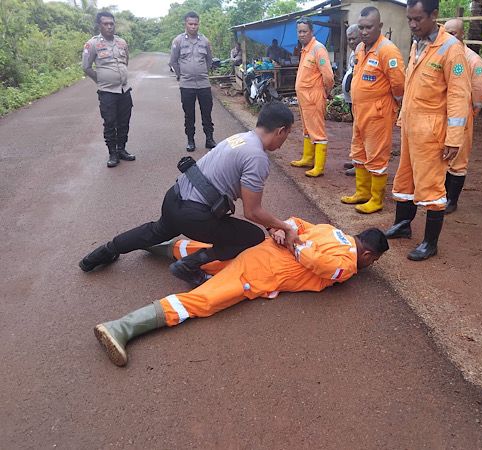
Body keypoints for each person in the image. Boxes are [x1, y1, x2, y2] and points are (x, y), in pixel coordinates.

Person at [93, 218, 390, 366]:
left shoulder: (330, 229)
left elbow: (294, 223)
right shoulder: (347, 264)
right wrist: (296, 246)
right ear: (368, 255)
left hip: (259, 250)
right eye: (373, 262)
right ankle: (122, 327)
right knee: (203, 301)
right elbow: (322, 265)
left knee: (204, 252)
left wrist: (282, 232)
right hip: (259, 272)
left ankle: (145, 242)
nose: (369, 266)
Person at [79, 102, 301, 286]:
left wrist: (272, 226)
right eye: (287, 134)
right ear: (280, 131)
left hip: (174, 199)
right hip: (194, 216)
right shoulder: (257, 158)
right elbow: (252, 212)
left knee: (156, 231)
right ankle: (188, 266)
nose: (284, 141)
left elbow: (244, 191)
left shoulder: (240, 139)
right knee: (251, 236)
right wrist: (286, 227)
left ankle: (103, 252)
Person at [386, 0, 470, 261]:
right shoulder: (418, 43)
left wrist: (454, 137)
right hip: (412, 128)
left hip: (432, 132)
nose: (412, 24)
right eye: (409, 19)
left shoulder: (451, 49)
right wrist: (403, 118)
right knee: (406, 178)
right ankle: (403, 225)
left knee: (432, 187)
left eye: (418, 19)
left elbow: (458, 96)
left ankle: (430, 243)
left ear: (434, 15)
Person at [341, 7, 405, 214]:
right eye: (361, 27)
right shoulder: (361, 48)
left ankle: (376, 199)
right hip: (360, 111)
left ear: (380, 26)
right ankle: (362, 192)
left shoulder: (388, 51)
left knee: (376, 155)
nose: (364, 31)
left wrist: (391, 105)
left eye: (368, 27)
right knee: (359, 152)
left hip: (378, 113)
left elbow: (398, 85)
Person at [443, 18, 482, 214]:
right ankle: (440, 195)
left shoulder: (472, 59)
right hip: (442, 114)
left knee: (459, 159)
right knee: (442, 156)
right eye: (446, 32)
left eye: (453, 33)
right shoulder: (442, 54)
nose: (449, 36)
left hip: (462, 116)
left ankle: (452, 200)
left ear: (462, 34)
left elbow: (480, 90)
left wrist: (471, 112)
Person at [82, 12, 136, 168]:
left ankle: (122, 149)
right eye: (105, 24)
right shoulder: (92, 44)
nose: (109, 26)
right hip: (107, 92)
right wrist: (101, 80)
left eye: (111, 23)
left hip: (124, 90)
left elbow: (125, 61)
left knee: (124, 122)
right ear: (99, 25)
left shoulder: (121, 42)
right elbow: (86, 67)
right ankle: (112, 153)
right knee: (110, 123)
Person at [290, 17, 334, 178]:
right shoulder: (305, 49)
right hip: (304, 98)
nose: (301, 34)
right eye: (299, 31)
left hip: (314, 97)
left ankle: (319, 167)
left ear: (311, 31)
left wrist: (325, 92)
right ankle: (308, 159)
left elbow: (328, 76)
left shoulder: (318, 49)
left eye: (304, 31)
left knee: (317, 132)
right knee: (307, 129)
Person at [170, 11, 216, 152]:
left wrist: (202, 72)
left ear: (198, 24)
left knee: (207, 113)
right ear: (185, 24)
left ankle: (209, 139)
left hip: (203, 84)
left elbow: (209, 60)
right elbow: (174, 61)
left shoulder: (205, 41)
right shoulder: (178, 41)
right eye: (190, 24)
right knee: (189, 114)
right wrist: (182, 75)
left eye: (195, 24)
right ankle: (190, 140)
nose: (193, 26)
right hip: (186, 84)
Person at [341, 24, 360, 177]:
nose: (351, 42)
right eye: (349, 39)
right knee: (356, 131)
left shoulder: (364, 52)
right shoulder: (353, 53)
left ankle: (361, 164)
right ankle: (356, 160)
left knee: (361, 133)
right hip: (351, 99)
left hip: (361, 101)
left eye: (354, 38)